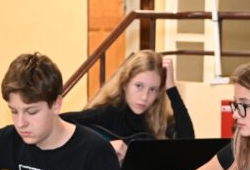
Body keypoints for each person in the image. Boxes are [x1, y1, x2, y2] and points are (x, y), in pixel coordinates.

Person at [62, 49, 195, 163]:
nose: (144, 97)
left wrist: (171, 88)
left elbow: (188, 145)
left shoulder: (159, 121)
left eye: (153, 89)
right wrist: (103, 148)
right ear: (125, 83)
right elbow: (59, 124)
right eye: (139, 86)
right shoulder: (106, 113)